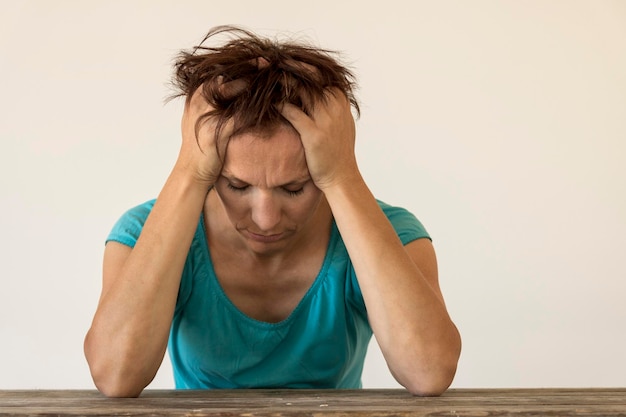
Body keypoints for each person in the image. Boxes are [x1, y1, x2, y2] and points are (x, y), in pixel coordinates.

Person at [84, 25, 461, 398]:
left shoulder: (394, 231)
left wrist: (343, 174)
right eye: (237, 186)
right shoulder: (141, 231)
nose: (265, 219)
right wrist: (187, 171)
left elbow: (428, 372)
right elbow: (116, 376)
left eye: (294, 188)